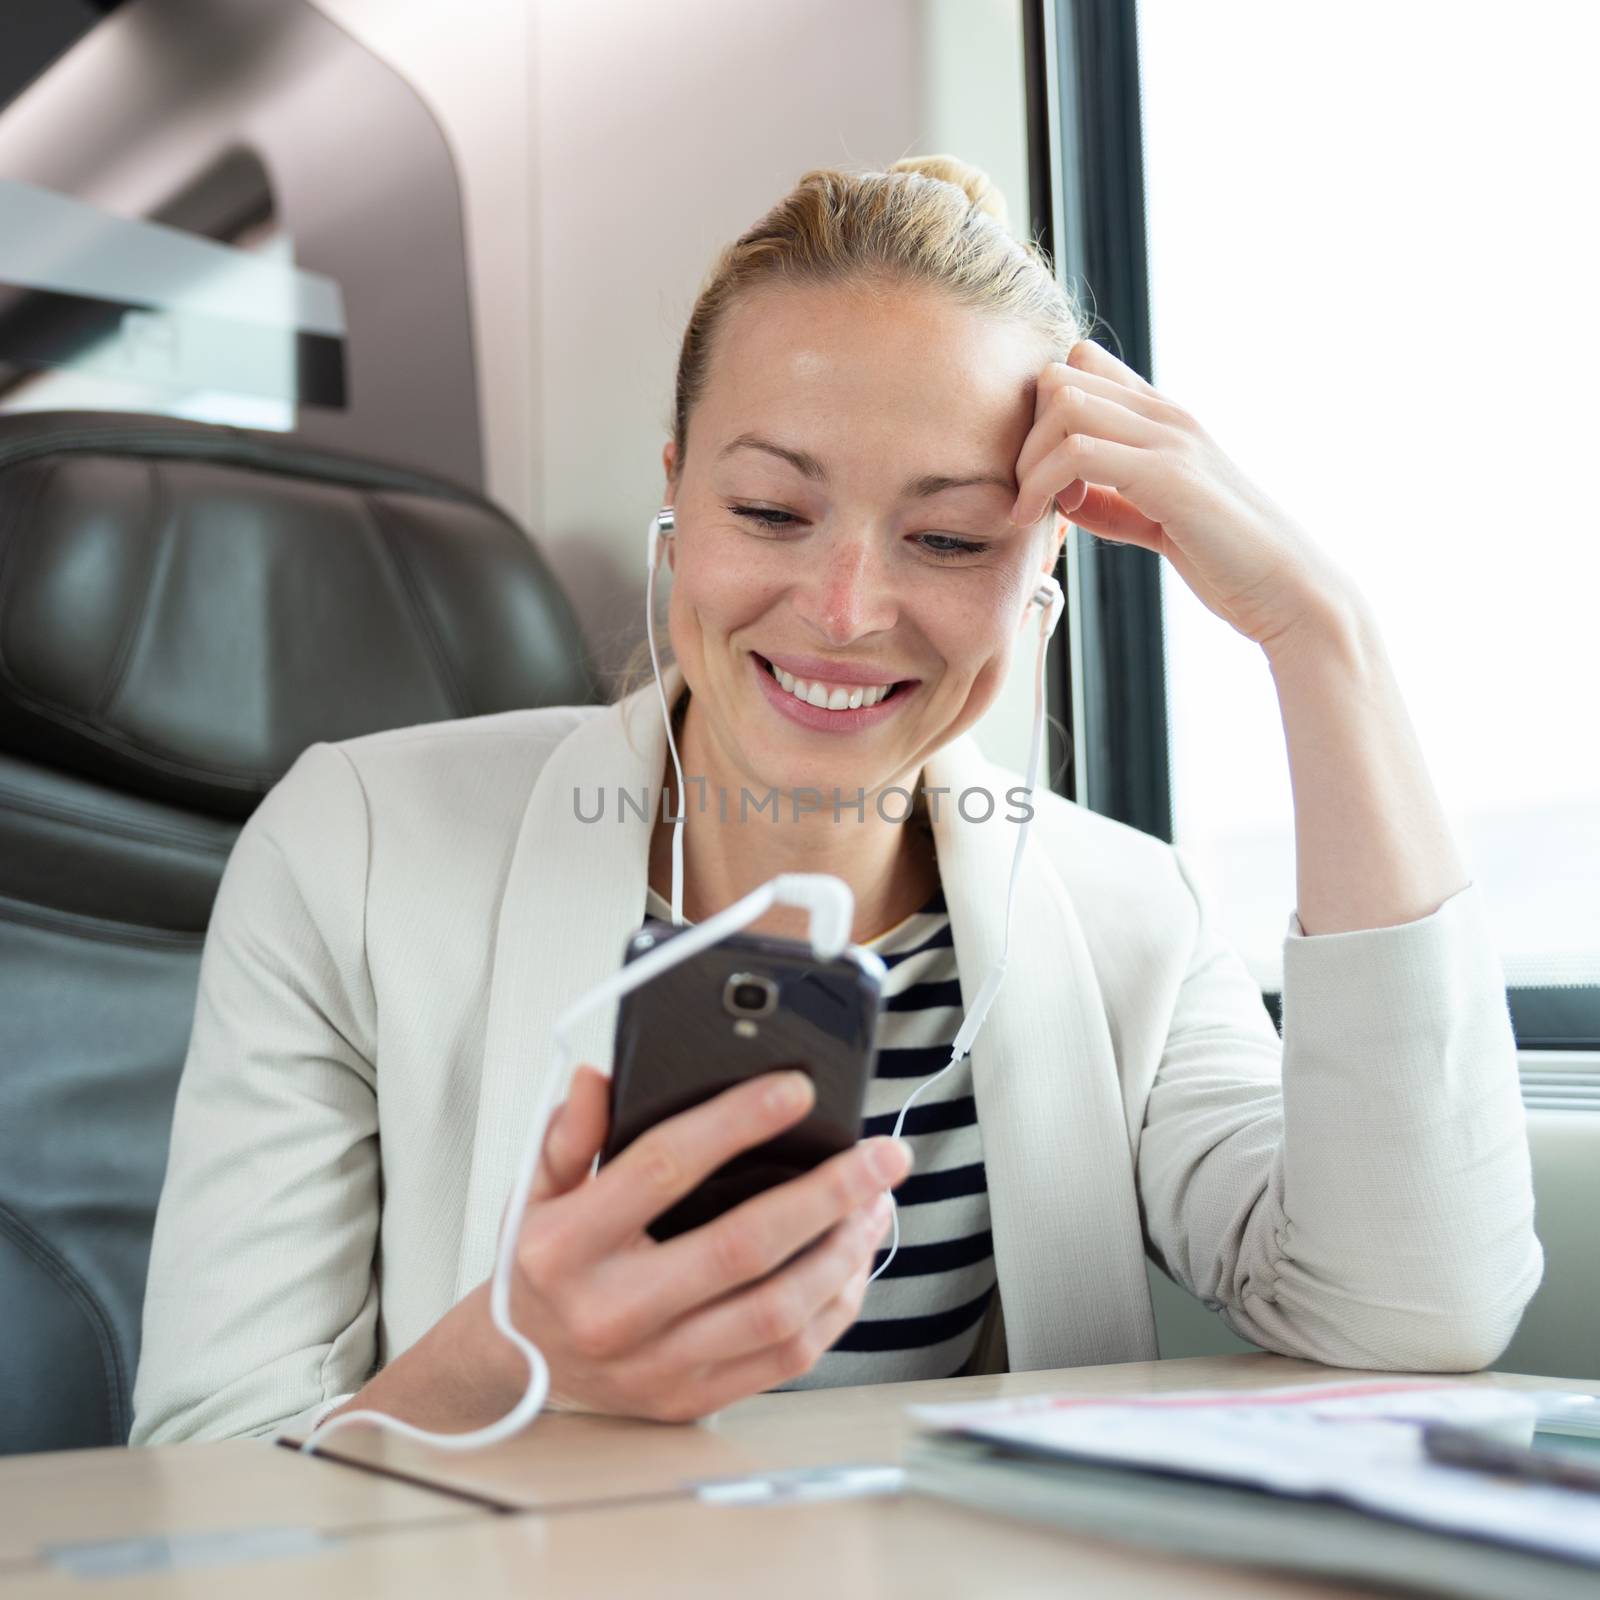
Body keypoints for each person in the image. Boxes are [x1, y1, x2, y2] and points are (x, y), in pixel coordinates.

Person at [130, 155, 1542, 1445]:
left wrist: (1321, 639)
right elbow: (197, 1482)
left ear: (1044, 568)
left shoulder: (1129, 922)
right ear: (676, 498)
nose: (846, 609)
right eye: (769, 512)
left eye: (946, 537)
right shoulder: (355, 854)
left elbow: (1414, 1312)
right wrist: (522, 1362)